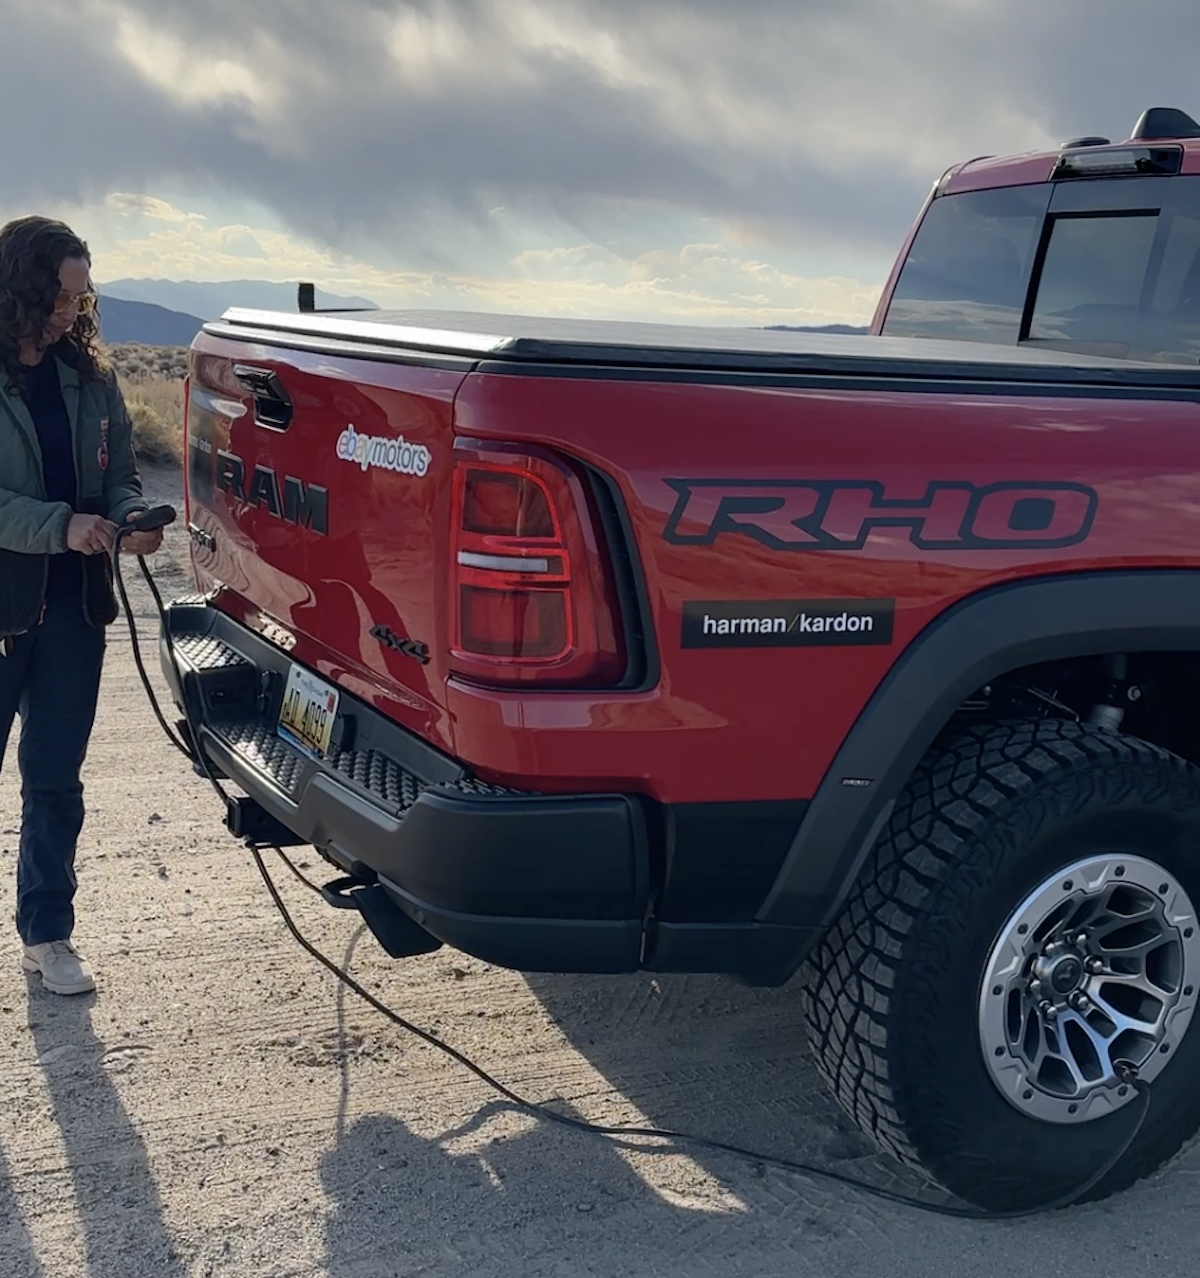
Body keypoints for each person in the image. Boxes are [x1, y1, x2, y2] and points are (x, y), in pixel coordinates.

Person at [0, 216, 163, 996]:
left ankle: (48, 935)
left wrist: (128, 517)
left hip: (73, 613)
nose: (69, 313)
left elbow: (121, 470)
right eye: (56, 298)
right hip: (3, 610)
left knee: (55, 780)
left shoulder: (92, 375)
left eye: (79, 299)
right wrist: (57, 526)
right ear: (18, 287)